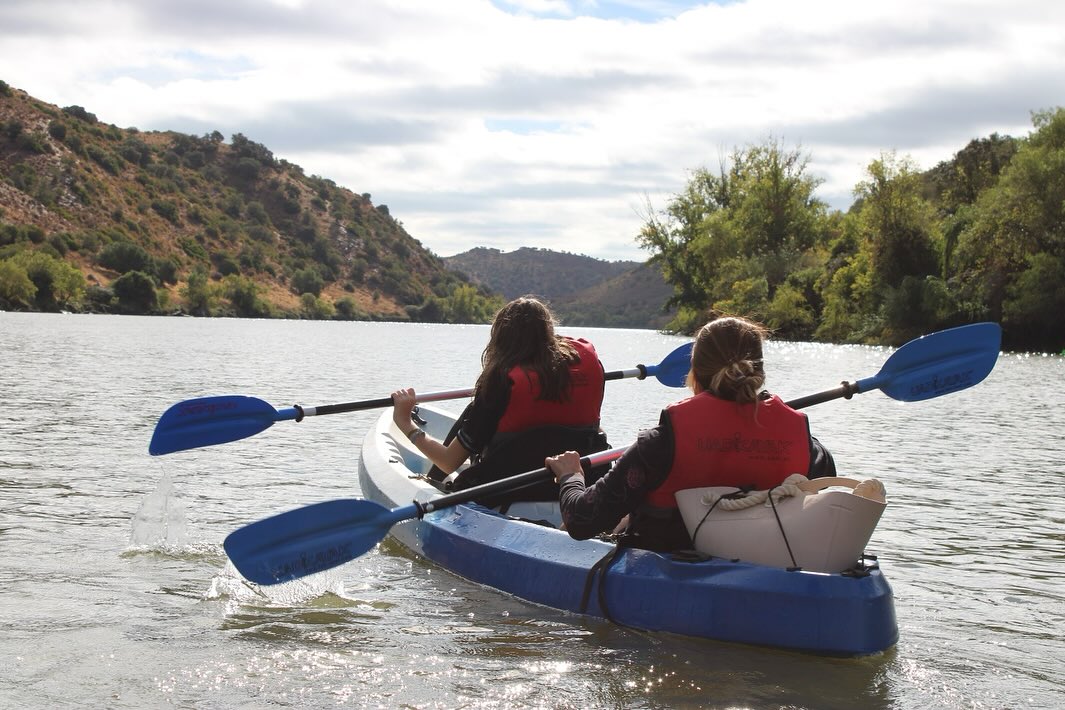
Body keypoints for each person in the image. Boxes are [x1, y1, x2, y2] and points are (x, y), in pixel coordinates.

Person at [544, 315, 836, 552]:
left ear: (694, 372)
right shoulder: (811, 450)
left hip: (670, 573)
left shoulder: (660, 445)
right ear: (759, 371)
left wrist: (571, 476)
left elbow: (580, 521)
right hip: (768, 570)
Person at [391, 296, 608, 504]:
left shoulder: (500, 384)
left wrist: (405, 423)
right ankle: (435, 477)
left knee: (472, 414)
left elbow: (449, 461)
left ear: (500, 339)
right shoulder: (586, 363)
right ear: (549, 332)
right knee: (472, 412)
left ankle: (435, 478)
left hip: (506, 490)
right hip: (577, 483)